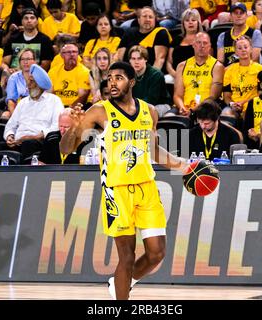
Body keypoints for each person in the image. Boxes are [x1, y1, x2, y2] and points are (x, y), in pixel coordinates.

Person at [59, 61, 188, 300]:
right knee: (126, 258)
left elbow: (154, 150)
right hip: (116, 190)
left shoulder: (149, 110)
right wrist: (74, 130)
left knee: (156, 254)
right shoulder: (99, 111)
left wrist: (183, 165)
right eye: (109, 78)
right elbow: (66, 149)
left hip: (147, 187)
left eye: (118, 77)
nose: (112, 82)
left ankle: (120, 282)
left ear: (132, 81)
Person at [0, 64, 64, 161]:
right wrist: (10, 136)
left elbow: (57, 126)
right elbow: (11, 125)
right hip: (17, 141)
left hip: (39, 142)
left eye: (32, 81)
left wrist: (36, 136)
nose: (28, 85)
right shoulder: (23, 102)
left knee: (29, 144)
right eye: (28, 81)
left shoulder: (54, 101)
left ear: (40, 84)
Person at [173, 32, 225, 117]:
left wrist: (192, 110)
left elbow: (213, 97)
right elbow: (177, 95)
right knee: (168, 119)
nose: (202, 46)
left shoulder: (217, 66)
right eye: (198, 42)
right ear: (193, 45)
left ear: (210, 46)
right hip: (183, 107)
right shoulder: (182, 66)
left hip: (206, 108)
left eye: (205, 43)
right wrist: (182, 107)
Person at [116, 6, 172, 70]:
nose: (147, 19)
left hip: (151, 74)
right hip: (128, 73)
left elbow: (160, 60)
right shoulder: (129, 32)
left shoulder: (160, 33)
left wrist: (151, 78)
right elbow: (119, 57)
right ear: (139, 19)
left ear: (155, 20)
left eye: (150, 17)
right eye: (144, 16)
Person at [223, 36, 262, 119]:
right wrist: (232, 104)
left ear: (251, 49)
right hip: (234, 107)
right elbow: (226, 95)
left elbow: (261, 94)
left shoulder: (261, 69)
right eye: (239, 48)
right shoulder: (229, 70)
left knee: (248, 115)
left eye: (246, 47)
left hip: (253, 105)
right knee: (225, 115)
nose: (243, 50)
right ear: (235, 52)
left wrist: (244, 103)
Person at [129, 45, 172, 118]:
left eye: (139, 59)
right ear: (130, 61)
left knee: (145, 113)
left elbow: (151, 100)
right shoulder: (128, 75)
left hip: (159, 105)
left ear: (145, 59)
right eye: (133, 59)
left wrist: (131, 107)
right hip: (136, 106)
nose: (136, 62)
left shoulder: (156, 75)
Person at [216, 2, 262, 67]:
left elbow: (255, 59)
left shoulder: (255, 33)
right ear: (230, 16)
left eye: (241, 13)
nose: (239, 15)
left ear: (246, 16)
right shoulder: (223, 36)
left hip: (249, 71)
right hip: (229, 73)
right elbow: (220, 61)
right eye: (235, 13)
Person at [48, 42, 91, 108]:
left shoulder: (85, 72)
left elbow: (82, 98)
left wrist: (68, 110)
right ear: (62, 55)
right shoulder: (53, 72)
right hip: (57, 107)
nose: (72, 54)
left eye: (74, 52)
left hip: (76, 108)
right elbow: (50, 93)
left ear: (78, 54)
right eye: (68, 52)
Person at [165, 8, 203, 82]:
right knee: (164, 80)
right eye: (187, 20)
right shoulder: (176, 39)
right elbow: (169, 62)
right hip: (176, 75)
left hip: (197, 75)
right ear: (183, 23)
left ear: (198, 22)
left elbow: (208, 61)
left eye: (193, 20)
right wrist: (175, 75)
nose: (190, 22)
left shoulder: (204, 39)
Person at [5, 48, 37, 117]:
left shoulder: (39, 77)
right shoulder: (14, 78)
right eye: (23, 59)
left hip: (36, 111)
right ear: (19, 62)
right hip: (18, 111)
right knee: (5, 115)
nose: (25, 62)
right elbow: (11, 101)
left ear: (34, 61)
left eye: (28, 59)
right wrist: (15, 118)